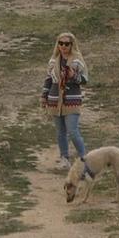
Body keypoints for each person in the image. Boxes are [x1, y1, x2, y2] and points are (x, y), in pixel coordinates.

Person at [42, 32, 89, 169]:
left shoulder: (77, 60)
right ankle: (64, 159)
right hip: (55, 99)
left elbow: (85, 79)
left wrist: (74, 76)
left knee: (73, 131)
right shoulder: (53, 60)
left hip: (71, 99)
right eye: (60, 43)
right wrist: (43, 96)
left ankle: (84, 158)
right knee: (60, 132)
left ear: (72, 44)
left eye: (66, 43)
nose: (63, 46)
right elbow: (48, 80)